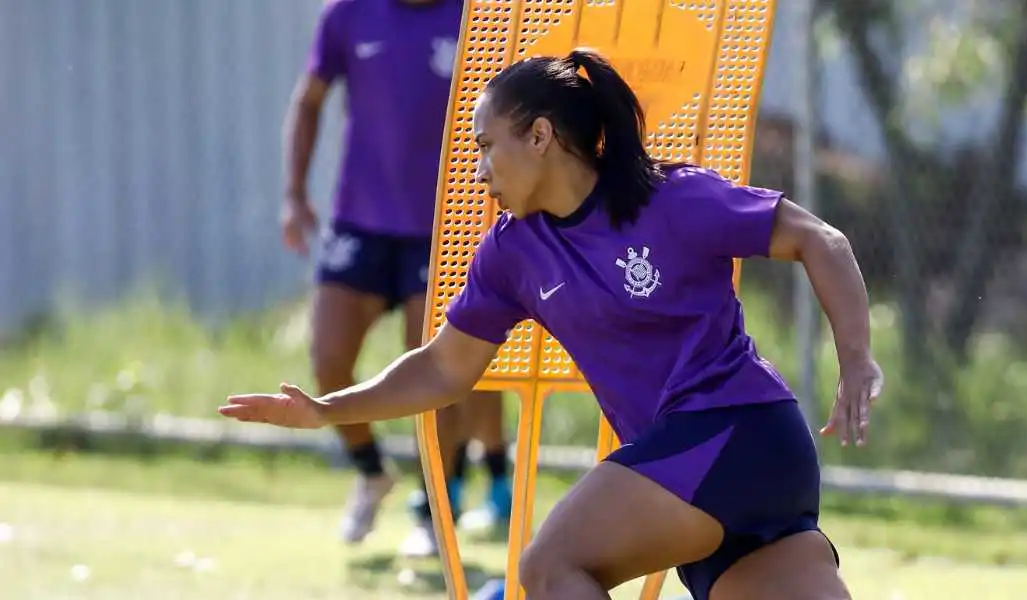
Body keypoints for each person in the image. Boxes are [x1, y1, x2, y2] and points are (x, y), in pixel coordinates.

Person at [232, 47, 882, 600]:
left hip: (736, 433)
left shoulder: (671, 198)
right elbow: (443, 368)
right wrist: (327, 410)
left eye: (488, 146)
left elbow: (820, 240)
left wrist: (856, 359)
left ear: (540, 136)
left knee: (549, 568)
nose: (479, 168)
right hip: (725, 477)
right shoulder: (513, 252)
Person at [281, 0, 511, 555]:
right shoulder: (348, 15)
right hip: (359, 219)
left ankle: (437, 506)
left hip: (443, 225)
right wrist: (293, 194)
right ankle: (370, 471)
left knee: (434, 368)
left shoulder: (479, 17)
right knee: (329, 358)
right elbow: (309, 101)